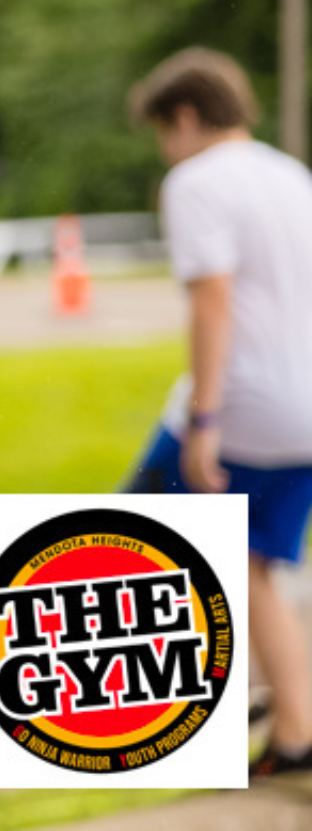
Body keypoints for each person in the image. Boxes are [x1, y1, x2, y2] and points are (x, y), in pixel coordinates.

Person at [124, 47, 312, 778]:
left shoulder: (195, 182)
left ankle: (174, 710)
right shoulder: (292, 175)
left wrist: (205, 422)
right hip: (305, 411)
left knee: (125, 545)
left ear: (186, 117)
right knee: (250, 561)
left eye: (164, 132)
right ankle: (293, 730)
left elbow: (213, 301)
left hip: (247, 409)